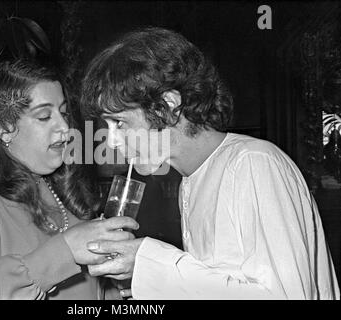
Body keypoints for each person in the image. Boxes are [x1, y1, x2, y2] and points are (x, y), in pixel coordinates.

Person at [80, 27, 340, 299]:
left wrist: (149, 263)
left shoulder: (254, 164)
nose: (111, 142)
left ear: (168, 106)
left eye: (119, 122)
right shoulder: (189, 182)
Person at [0, 59, 138, 299]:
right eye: (44, 116)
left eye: (63, 113)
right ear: (3, 128)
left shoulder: (64, 194)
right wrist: (65, 252)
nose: (64, 127)